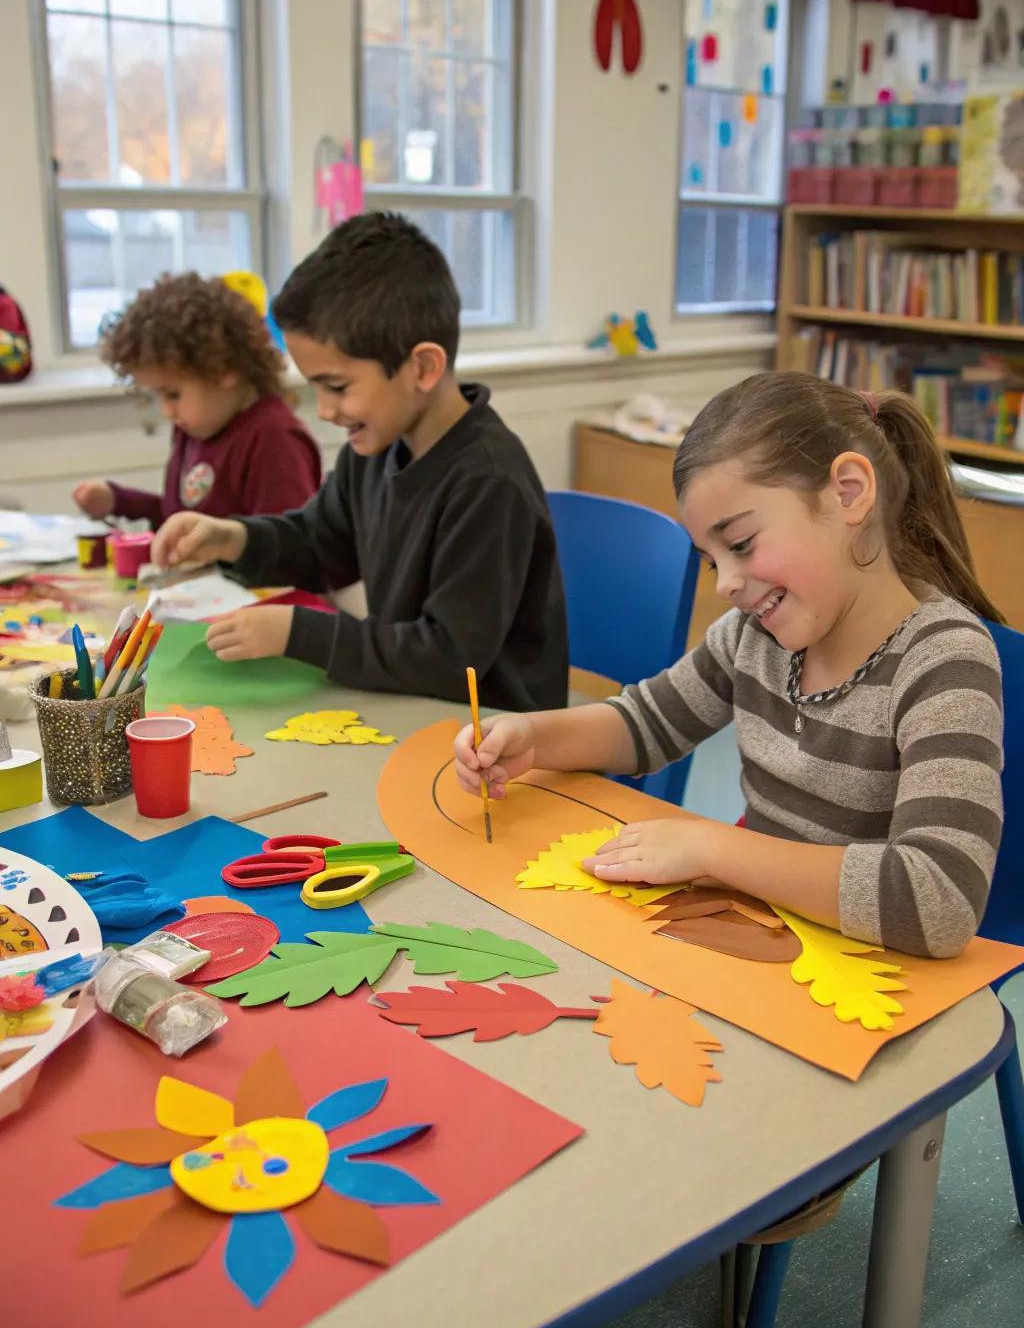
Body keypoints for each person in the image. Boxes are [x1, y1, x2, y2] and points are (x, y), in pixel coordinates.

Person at [455, 372, 1005, 959]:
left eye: (740, 544)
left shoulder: (945, 661)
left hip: (874, 970)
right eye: (713, 562)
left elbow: (939, 901)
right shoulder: (756, 634)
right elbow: (646, 723)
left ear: (848, 492)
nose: (727, 585)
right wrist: (535, 738)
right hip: (762, 931)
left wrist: (713, 850)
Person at [151, 213, 567, 712]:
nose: (324, 411)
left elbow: (451, 660)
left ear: (423, 368)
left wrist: (301, 633)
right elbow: (318, 543)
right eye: (316, 388)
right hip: (415, 712)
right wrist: (233, 538)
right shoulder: (374, 449)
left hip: (494, 746)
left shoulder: (487, 481)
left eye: (338, 387)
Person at [73, 273, 321, 528]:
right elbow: (182, 520)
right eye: (157, 396)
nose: (167, 411)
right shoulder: (195, 427)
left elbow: (286, 546)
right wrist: (119, 501)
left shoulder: (274, 438)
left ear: (224, 370)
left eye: (173, 394)